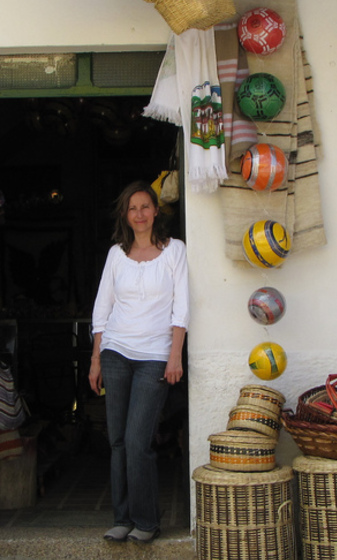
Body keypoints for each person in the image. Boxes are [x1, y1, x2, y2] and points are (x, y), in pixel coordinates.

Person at [89, 181, 189, 544]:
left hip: (154, 357)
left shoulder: (174, 251)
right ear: (125, 215)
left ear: (156, 211)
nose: (140, 214)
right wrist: (95, 359)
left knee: (137, 440)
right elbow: (103, 308)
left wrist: (175, 352)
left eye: (146, 206)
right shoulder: (117, 254)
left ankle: (146, 520)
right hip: (115, 352)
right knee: (117, 440)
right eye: (133, 208)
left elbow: (182, 306)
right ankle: (123, 517)